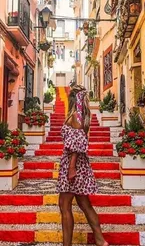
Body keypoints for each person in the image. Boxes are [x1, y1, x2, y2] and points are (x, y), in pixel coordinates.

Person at [56, 85, 109, 246]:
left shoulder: (75, 117)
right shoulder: (82, 116)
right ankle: (100, 240)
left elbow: (78, 144)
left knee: (64, 205)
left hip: (74, 165)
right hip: (80, 165)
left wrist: (71, 168)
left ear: (73, 99)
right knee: (84, 204)